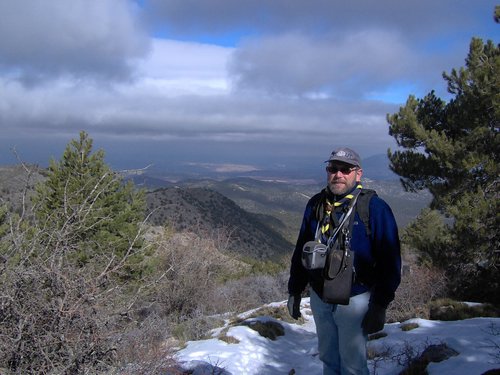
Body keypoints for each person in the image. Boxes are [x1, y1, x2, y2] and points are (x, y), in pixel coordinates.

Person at [287, 147, 401, 375]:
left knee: (353, 365)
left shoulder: (374, 209)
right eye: (332, 168)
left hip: (355, 299)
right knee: (328, 359)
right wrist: (295, 290)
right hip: (319, 296)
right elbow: (302, 248)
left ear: (358, 174)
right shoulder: (316, 204)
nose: (338, 174)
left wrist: (380, 305)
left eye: (345, 169)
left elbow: (390, 261)